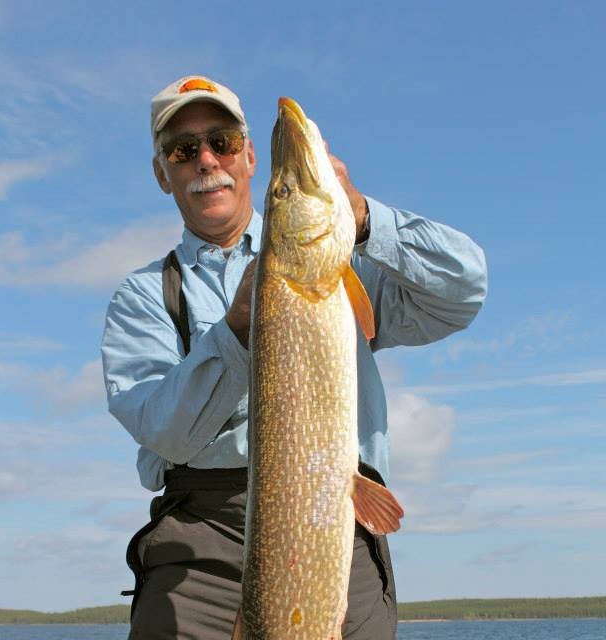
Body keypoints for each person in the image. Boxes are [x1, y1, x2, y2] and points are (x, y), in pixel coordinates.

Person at [101, 75, 488, 640]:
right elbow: (163, 431)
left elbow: (462, 292)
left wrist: (363, 218)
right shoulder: (143, 297)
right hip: (201, 532)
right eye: (184, 151)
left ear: (249, 156)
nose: (207, 159)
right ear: (164, 173)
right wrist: (234, 331)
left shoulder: (342, 269)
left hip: (332, 518)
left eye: (223, 141)